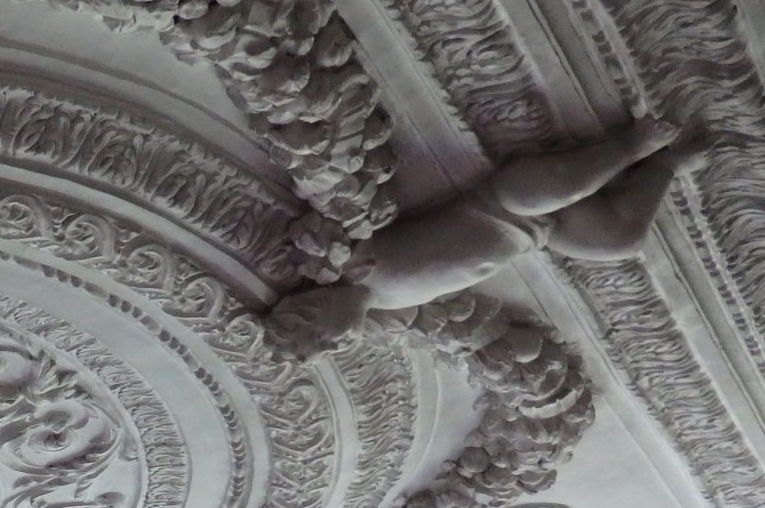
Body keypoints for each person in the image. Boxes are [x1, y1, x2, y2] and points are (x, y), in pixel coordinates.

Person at [270, 119, 713, 355]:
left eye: (320, 327)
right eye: (331, 343)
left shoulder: (357, 265)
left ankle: (633, 145)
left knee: (567, 183)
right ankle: (665, 166)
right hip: (537, 234)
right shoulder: (388, 310)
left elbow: (346, 222)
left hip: (504, 200)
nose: (340, 339)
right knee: (619, 242)